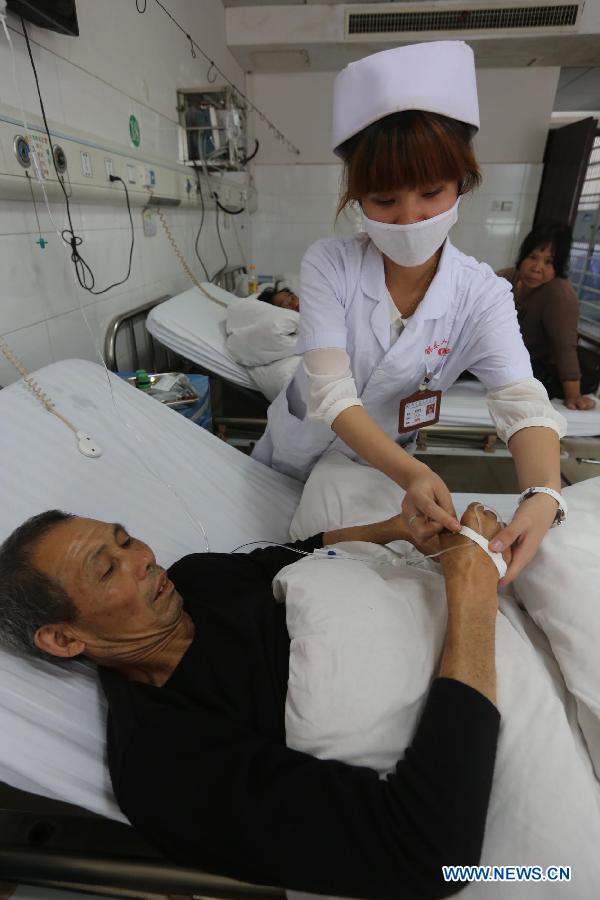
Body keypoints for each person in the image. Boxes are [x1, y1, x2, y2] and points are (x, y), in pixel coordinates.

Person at [0, 504, 507, 899]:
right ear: (65, 640)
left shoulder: (197, 578)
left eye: (126, 538)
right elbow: (432, 855)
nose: (142, 558)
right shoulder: (165, 767)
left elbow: (297, 554)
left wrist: (398, 527)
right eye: (108, 569)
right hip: (489, 697)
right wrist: (472, 591)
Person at [252, 41, 567, 586]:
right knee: (267, 558)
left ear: (462, 185)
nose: (409, 218)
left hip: (372, 472)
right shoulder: (330, 262)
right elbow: (331, 393)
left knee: (347, 575)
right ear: (356, 198)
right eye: (384, 201)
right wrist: (415, 472)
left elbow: (521, 402)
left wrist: (542, 493)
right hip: (293, 451)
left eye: (430, 193)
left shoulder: (482, 294)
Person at [498, 223, 598, 411]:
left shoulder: (559, 294)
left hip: (547, 369)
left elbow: (564, 347)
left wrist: (573, 396)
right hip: (511, 358)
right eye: (532, 257)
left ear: (558, 267)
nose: (537, 268)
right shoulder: (505, 278)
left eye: (548, 262)